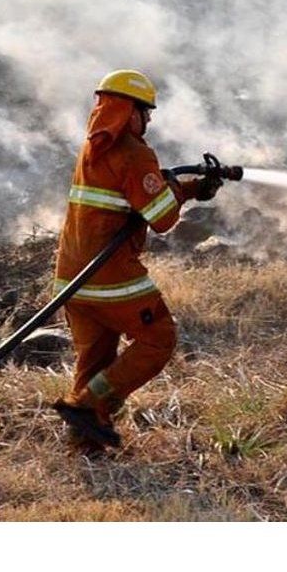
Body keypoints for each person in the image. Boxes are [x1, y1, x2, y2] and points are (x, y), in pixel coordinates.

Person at [51, 69, 220, 450]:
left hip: (71, 280)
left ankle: (86, 441)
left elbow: (135, 194)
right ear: (130, 111)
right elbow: (161, 218)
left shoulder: (93, 147)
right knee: (158, 339)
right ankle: (87, 405)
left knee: (95, 359)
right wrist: (180, 189)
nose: (148, 121)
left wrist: (192, 187)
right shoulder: (134, 152)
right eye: (146, 113)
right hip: (111, 278)